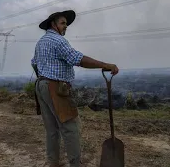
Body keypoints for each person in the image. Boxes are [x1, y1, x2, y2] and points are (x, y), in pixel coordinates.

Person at [31, 10, 119, 167]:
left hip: (40, 86)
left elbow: (34, 63)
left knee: (52, 130)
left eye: (66, 23)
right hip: (55, 87)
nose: (66, 26)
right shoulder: (58, 41)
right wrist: (105, 65)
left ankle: (53, 163)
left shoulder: (41, 42)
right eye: (63, 23)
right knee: (70, 128)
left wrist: (44, 78)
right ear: (53, 24)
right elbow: (78, 59)